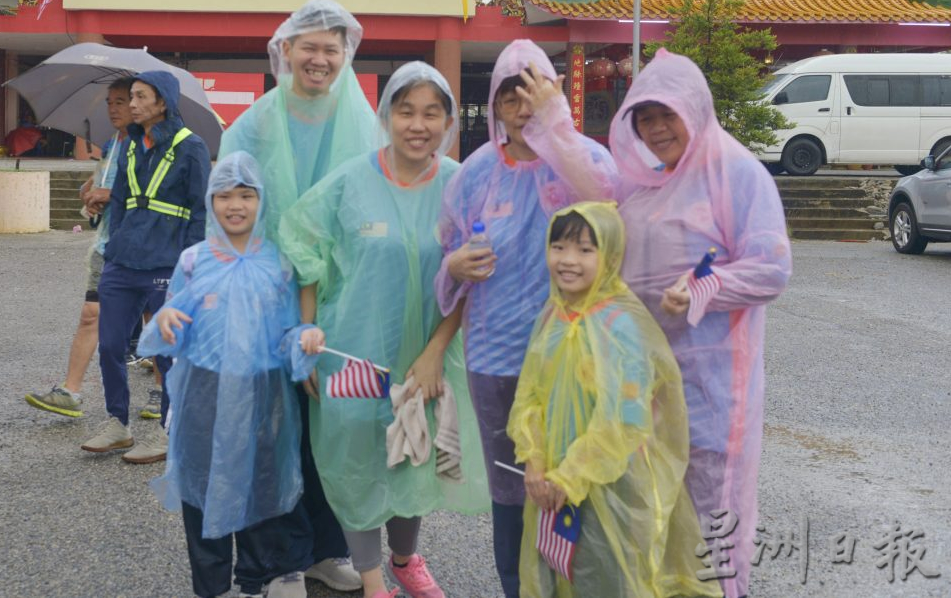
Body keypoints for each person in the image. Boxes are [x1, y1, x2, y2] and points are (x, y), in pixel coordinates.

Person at [285, 62, 488, 598]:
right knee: (353, 454)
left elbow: (471, 277)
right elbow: (306, 250)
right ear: (387, 116)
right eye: (406, 111)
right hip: (350, 352)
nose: (417, 124)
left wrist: (435, 352)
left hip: (428, 350)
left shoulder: (458, 184)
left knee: (412, 457)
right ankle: (372, 577)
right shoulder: (351, 180)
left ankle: (404, 558)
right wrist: (306, 334)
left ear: (448, 121)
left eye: (431, 113)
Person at [434, 39, 618, 598]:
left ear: (552, 92)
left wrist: (557, 132)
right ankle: (516, 586)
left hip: (571, 361)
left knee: (570, 480)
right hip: (494, 360)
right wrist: (454, 267)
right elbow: (445, 264)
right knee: (511, 488)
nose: (520, 103)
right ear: (493, 103)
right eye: (508, 92)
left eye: (531, 89)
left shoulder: (585, 161)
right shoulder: (474, 174)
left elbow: (610, 211)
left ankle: (571, 585)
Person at [608, 48, 792, 598]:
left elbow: (772, 268)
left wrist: (703, 287)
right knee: (656, 514)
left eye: (668, 114)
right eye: (645, 116)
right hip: (646, 384)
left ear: (695, 111)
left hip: (713, 390)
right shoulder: (642, 182)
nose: (657, 128)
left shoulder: (737, 174)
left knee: (715, 517)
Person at [216, 0, 377, 597]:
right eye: (307, 46)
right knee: (273, 430)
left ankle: (327, 549)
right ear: (285, 49)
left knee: (335, 425)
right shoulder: (255, 123)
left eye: (330, 49)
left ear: (345, 56)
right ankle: (279, 556)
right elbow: (225, 207)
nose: (318, 58)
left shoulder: (359, 118)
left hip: (337, 302)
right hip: (267, 299)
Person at [508, 202, 722, 598]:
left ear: (610, 257)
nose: (568, 260)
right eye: (559, 247)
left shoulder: (620, 325)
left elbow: (624, 419)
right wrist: (536, 463)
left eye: (586, 250)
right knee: (561, 571)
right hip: (551, 480)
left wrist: (571, 475)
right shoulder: (554, 315)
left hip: (611, 483)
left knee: (613, 572)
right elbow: (530, 397)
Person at [138, 152, 312, 598]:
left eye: (246, 195)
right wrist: (165, 319)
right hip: (205, 393)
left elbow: (290, 333)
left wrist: (307, 339)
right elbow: (168, 327)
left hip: (262, 394)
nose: (235, 205)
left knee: (258, 485)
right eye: (224, 195)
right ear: (210, 201)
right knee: (202, 488)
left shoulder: (279, 263)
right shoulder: (195, 260)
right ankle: (210, 585)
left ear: (261, 200)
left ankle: (254, 580)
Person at [82, 70, 211, 465]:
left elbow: (200, 210)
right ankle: (117, 423)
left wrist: (191, 264)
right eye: (130, 97)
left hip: (167, 262)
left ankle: (166, 431)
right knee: (109, 346)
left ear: (162, 102)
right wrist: (114, 240)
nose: (131, 104)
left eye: (139, 97)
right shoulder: (130, 145)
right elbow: (120, 199)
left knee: (167, 352)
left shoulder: (192, 147)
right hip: (123, 260)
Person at [25, 77, 134, 418]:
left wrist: (112, 194)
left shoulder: (148, 146)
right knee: (91, 315)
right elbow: (105, 182)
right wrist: (92, 191)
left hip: (140, 248)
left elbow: (155, 197)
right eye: (110, 102)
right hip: (106, 244)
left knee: (154, 319)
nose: (113, 108)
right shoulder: (114, 142)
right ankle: (70, 391)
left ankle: (163, 394)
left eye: (122, 101)